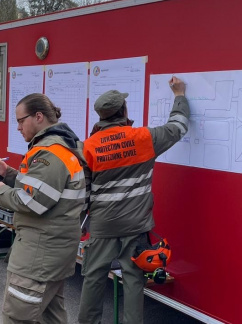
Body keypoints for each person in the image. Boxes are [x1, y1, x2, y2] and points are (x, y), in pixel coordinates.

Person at [78, 77, 189, 324]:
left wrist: (82, 224)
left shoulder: (88, 146)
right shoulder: (144, 138)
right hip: (136, 226)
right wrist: (179, 95)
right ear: (123, 111)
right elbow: (178, 126)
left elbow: (83, 191)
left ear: (101, 116)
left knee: (93, 278)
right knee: (133, 281)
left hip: (102, 226)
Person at [0, 93, 87, 323]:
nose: (19, 127)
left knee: (17, 316)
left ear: (39, 117)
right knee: (51, 315)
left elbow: (32, 202)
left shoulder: (49, 153)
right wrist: (8, 173)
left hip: (39, 254)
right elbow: (44, 189)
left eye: (21, 121)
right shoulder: (63, 146)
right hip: (54, 248)